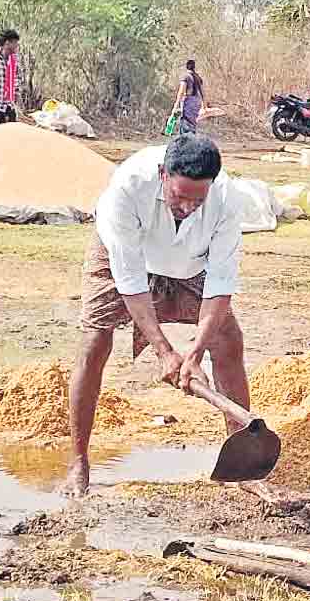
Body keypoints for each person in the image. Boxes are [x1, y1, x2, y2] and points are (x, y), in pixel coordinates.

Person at [64, 134, 269, 501]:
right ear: (163, 174)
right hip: (124, 258)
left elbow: (220, 284)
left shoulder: (226, 199)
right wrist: (164, 352)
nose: (187, 207)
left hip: (192, 262)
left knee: (228, 340)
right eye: (179, 196)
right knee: (94, 339)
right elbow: (129, 280)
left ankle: (242, 464)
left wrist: (194, 354)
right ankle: (79, 462)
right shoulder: (127, 188)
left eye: (197, 200)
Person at [172, 59, 205, 134]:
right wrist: (204, 106)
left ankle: (186, 139)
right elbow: (202, 93)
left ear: (186, 67)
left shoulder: (186, 76)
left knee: (186, 123)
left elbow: (181, 92)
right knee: (193, 123)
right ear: (194, 67)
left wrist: (175, 106)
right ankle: (192, 138)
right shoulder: (198, 77)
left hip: (188, 102)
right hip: (197, 102)